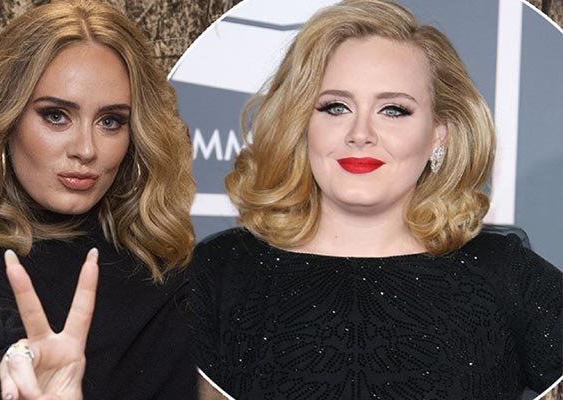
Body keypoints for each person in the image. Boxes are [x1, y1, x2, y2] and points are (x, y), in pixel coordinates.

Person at [187, 0, 563, 399]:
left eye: (393, 110)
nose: (360, 133)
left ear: (439, 133)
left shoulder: (507, 276)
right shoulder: (220, 272)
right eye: (336, 107)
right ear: (300, 123)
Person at [0, 1, 196, 399]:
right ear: (5, 119)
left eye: (110, 121)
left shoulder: (166, 262)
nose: (86, 149)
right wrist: (14, 367)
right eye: (56, 115)